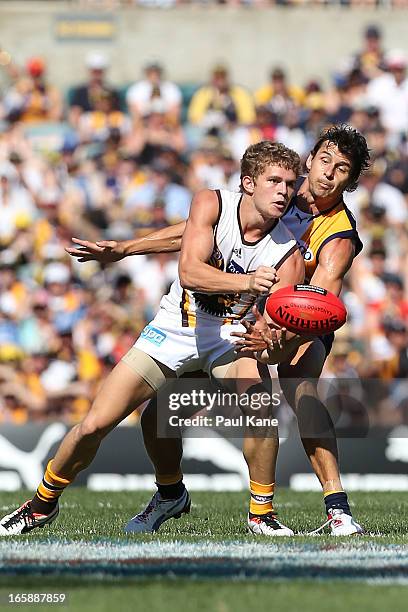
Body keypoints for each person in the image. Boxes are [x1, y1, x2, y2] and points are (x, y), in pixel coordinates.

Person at [60, 126, 369, 538]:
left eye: (342, 169)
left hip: (299, 318)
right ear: (310, 159)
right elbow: (200, 230)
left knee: (299, 384)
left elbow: (322, 306)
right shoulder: (280, 186)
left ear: (350, 181)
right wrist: (127, 248)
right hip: (232, 314)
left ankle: (336, 508)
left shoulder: (338, 235)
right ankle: (169, 494)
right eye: (326, 160)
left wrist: (276, 337)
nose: (329, 173)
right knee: (162, 415)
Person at [0, 141, 305, 537]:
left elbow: (275, 335)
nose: (283, 191)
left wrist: (270, 341)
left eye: (290, 184)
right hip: (173, 329)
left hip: (229, 338)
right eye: (274, 181)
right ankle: (42, 505)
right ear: (248, 183)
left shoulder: (289, 256)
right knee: (98, 424)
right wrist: (246, 281)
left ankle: (262, 515)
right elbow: (192, 271)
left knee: (261, 410)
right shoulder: (210, 203)